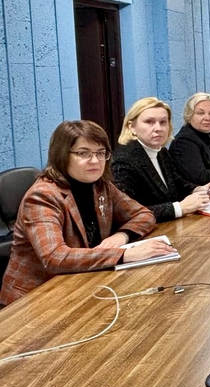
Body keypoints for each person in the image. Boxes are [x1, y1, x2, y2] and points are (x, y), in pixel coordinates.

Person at [0, 120, 168, 305]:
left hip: (82, 283)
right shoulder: (43, 196)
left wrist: (122, 236)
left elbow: (144, 215)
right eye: (83, 153)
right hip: (35, 299)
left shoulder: (101, 186)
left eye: (100, 153)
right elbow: (55, 257)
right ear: (62, 155)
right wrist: (124, 255)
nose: (95, 161)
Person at [112, 97, 210, 222]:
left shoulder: (161, 151)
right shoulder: (124, 160)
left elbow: (177, 183)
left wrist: (198, 190)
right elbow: (127, 212)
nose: (158, 128)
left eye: (163, 122)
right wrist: (179, 208)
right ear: (132, 127)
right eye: (149, 122)